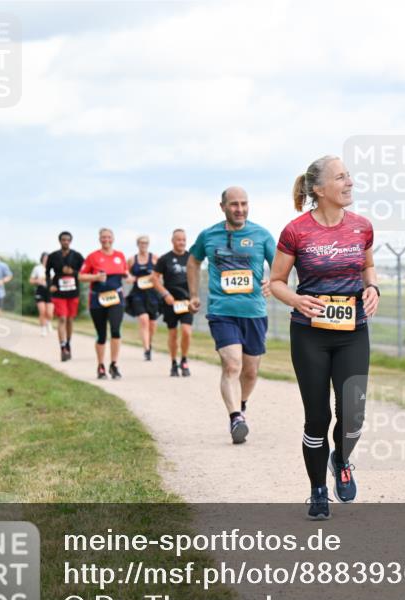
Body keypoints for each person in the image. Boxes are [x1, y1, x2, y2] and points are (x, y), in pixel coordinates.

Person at [269, 157, 379, 520]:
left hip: (353, 331)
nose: (349, 182)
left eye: (349, 176)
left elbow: (367, 266)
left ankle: (342, 459)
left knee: (353, 414)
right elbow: (276, 282)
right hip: (310, 334)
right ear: (319, 189)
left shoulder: (362, 227)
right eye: (341, 177)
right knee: (316, 417)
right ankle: (317, 490)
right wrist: (297, 299)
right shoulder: (295, 231)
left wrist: (372, 288)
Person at [188, 186, 276, 443]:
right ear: (223, 206)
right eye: (234, 204)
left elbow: (280, 265)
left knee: (250, 372)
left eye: (244, 204)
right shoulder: (209, 235)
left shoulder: (261, 235)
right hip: (222, 311)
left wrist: (272, 281)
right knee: (232, 365)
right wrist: (194, 294)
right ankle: (235, 417)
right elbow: (193, 261)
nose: (240, 209)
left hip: (254, 312)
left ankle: (242, 404)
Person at [79, 228, 128, 379]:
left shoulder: (120, 256)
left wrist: (128, 276)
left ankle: (114, 365)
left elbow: (125, 272)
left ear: (113, 238)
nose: (106, 239)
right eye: (103, 237)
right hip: (97, 299)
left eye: (109, 237)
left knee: (115, 330)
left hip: (115, 298)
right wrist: (95, 278)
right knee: (101, 335)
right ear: (99, 239)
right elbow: (80, 276)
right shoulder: (93, 257)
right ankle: (100, 366)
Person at [153, 229, 196, 377]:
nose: (182, 242)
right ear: (173, 241)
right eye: (179, 239)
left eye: (184, 239)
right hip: (171, 302)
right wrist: (165, 294)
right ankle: (173, 362)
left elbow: (196, 278)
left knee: (186, 331)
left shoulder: (191, 258)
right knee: (172, 334)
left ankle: (184, 359)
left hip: (186, 302)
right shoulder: (164, 259)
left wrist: (195, 296)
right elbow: (154, 279)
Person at [46, 232, 85, 361]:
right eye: (63, 240)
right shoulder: (53, 256)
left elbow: (85, 272)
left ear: (71, 241)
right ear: (59, 241)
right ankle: (63, 347)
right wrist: (50, 285)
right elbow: (47, 273)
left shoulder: (77, 256)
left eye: (68, 240)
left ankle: (68, 343)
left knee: (69, 319)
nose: (65, 242)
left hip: (73, 292)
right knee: (62, 318)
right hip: (58, 292)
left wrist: (73, 272)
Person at [126, 235, 160, 361]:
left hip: (152, 294)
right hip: (137, 294)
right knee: (143, 320)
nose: (143, 245)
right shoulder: (131, 260)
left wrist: (155, 276)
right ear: (137, 244)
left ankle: (149, 344)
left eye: (145, 243)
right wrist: (130, 278)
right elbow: (125, 273)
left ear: (148, 244)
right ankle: (146, 350)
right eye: (141, 243)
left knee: (152, 324)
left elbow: (161, 273)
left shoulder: (155, 258)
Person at [30, 252, 53, 336]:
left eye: (48, 258)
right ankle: (43, 329)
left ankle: (48, 321)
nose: (46, 259)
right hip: (40, 290)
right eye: (45, 258)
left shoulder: (53, 268)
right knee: (42, 311)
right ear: (42, 258)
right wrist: (37, 281)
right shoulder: (37, 268)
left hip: (50, 291)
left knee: (49, 313)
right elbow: (31, 280)